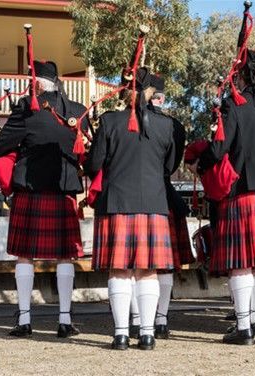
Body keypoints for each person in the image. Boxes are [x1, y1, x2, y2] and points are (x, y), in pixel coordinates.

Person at [192, 50, 255, 346]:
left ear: (241, 73)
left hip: (241, 190)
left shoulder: (232, 106)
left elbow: (219, 148)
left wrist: (202, 162)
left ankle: (244, 328)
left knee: (241, 264)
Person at [0, 61, 89, 338]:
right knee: (65, 255)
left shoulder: (26, 108)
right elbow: (86, 153)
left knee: (25, 255)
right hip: (63, 188)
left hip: (30, 189)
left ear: (36, 84)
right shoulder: (78, 111)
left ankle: (24, 320)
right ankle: (65, 320)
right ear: (57, 83)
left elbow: (1, 145)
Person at [84, 67, 175, 350]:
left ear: (125, 90)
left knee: (119, 271)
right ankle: (147, 334)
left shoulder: (109, 122)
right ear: (150, 92)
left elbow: (93, 166)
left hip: (117, 203)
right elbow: (169, 167)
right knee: (148, 271)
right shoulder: (167, 125)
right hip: (153, 203)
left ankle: (121, 334)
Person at [129, 75, 194, 340]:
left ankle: (134, 319)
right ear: (161, 96)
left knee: (130, 264)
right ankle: (162, 319)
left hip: (129, 197)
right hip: (163, 195)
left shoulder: (119, 120)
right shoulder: (174, 126)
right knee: (163, 266)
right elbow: (170, 166)